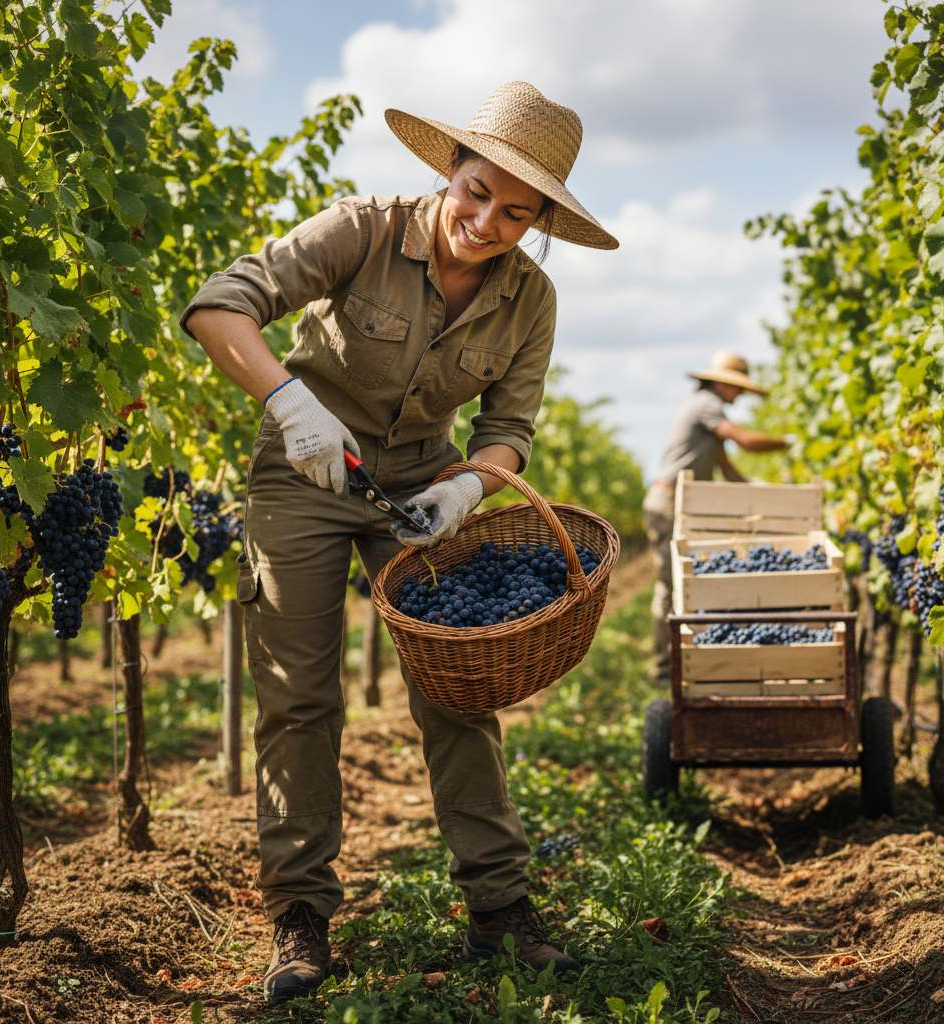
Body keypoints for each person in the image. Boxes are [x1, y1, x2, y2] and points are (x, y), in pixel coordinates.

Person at [181, 81, 618, 1005]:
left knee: (456, 687)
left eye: (515, 212)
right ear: (448, 172)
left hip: (421, 488)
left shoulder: (530, 300)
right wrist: (288, 404)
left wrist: (466, 487)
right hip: (301, 478)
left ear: (538, 222)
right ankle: (300, 915)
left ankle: (500, 908)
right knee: (299, 697)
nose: (485, 221)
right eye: (476, 192)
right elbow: (220, 305)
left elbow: (511, 431)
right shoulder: (362, 229)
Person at [643, 350, 788, 680]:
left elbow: (727, 470)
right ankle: (664, 668)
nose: (740, 396)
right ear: (723, 385)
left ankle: (689, 658)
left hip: (681, 501)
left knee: (689, 580)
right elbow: (746, 441)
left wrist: (760, 491)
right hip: (668, 500)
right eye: (739, 389)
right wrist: (787, 443)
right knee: (671, 582)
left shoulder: (709, 414)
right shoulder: (707, 404)